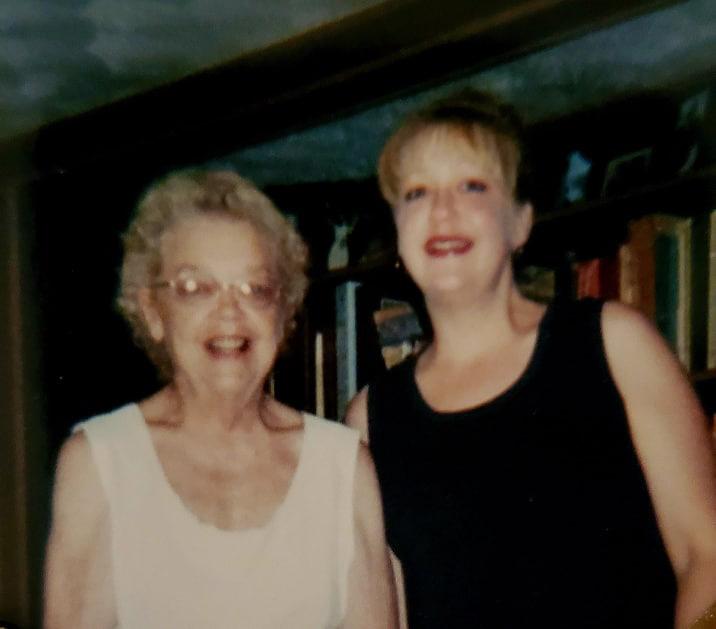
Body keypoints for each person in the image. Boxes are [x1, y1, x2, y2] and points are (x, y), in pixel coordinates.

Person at [346, 90, 716, 628]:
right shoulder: (371, 418)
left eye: (472, 186)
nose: (442, 210)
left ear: (520, 222)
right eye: (417, 193)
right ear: (398, 232)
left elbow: (707, 556)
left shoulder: (614, 343)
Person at [44, 170, 398, 628]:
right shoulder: (101, 462)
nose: (229, 312)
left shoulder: (343, 466)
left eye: (255, 289)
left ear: (282, 313)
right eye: (196, 288)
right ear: (153, 312)